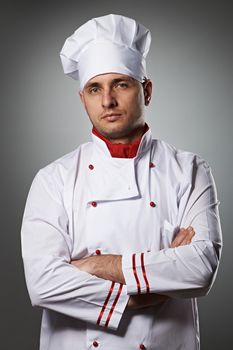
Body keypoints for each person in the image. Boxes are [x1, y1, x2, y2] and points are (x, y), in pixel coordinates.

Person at [21, 13, 222, 350]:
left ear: (147, 90)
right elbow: (43, 283)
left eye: (122, 84)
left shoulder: (189, 169)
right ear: (82, 98)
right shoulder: (53, 179)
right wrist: (152, 285)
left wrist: (97, 266)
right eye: (94, 88)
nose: (107, 101)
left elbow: (200, 269)